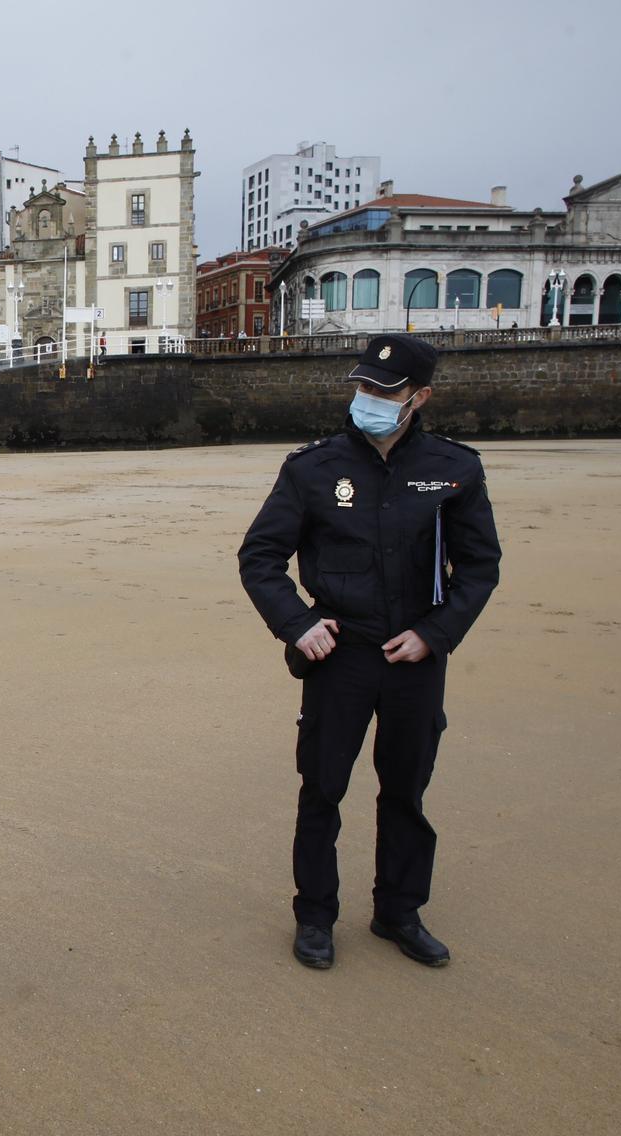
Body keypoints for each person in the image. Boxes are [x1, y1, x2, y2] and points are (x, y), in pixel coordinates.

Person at [237, 333, 501, 972]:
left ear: (419, 397)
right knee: (322, 789)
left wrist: (435, 635)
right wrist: (298, 625)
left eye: (385, 391)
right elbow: (261, 557)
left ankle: (399, 912)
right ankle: (315, 917)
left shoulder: (455, 468)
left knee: (406, 792)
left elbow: (479, 566)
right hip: (340, 658)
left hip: (414, 659)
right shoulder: (312, 469)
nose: (370, 400)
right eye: (363, 387)